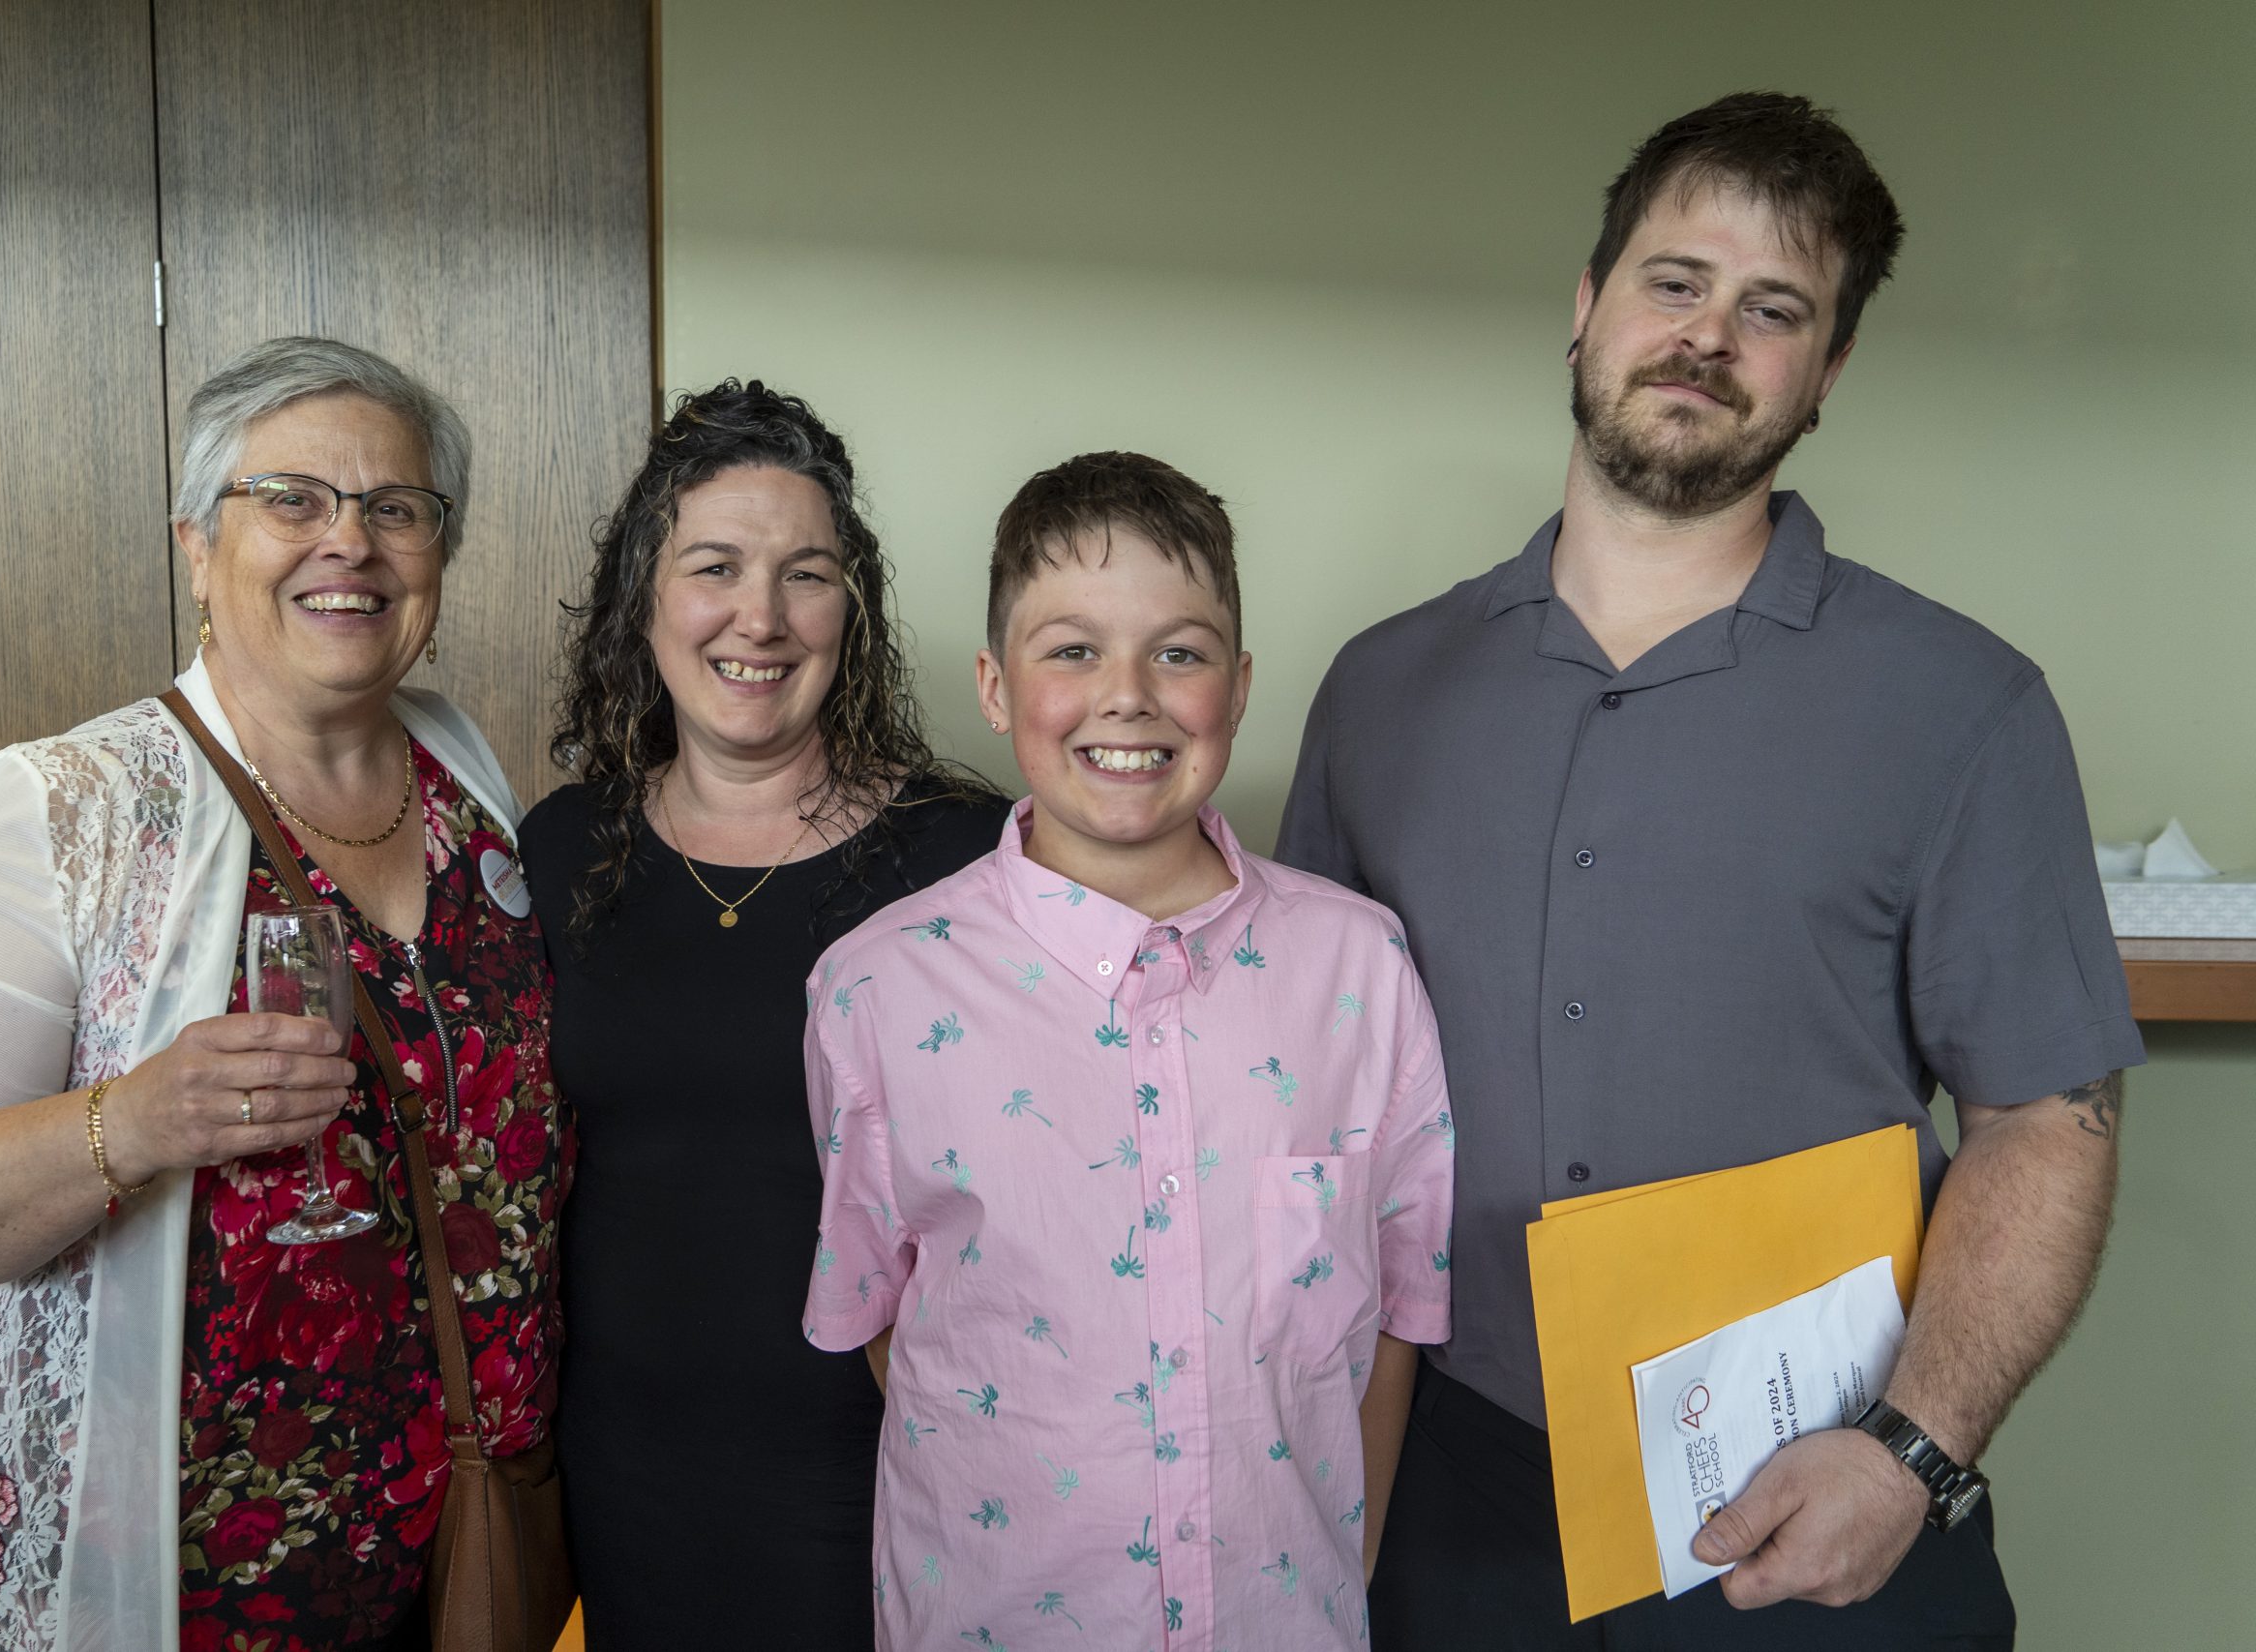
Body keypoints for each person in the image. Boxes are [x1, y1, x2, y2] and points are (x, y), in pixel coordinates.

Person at [1279, 93, 2143, 1649]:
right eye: (1674, 282)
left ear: (1829, 372)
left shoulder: (1965, 706)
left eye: (1775, 309)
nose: (1707, 337)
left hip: (1817, 1506)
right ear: (1586, 305)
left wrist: (1912, 1451)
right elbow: (1297, 1092)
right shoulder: (1381, 689)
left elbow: (2046, 1118)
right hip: (1451, 1498)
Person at [0, 336, 569, 1652]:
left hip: (437, 1547)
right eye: (291, 498)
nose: (349, 541)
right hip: (155, 1572)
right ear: (196, 544)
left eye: (396, 508)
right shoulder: (67, 807)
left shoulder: (460, 766)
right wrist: (138, 1119)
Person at [802, 452, 1457, 1650]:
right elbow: (888, 1316)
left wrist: (1340, 1562)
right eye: (1071, 650)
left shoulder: (1358, 967)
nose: (1127, 697)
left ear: (1239, 687)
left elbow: (1399, 1305)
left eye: (1179, 653)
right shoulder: (878, 989)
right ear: (994, 686)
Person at [519, 379, 1004, 1648]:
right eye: (715, 567)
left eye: (806, 574)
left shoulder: (964, 859)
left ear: (853, 608)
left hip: (892, 1465)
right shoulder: (562, 848)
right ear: (644, 598)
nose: (762, 617)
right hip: (625, 1469)